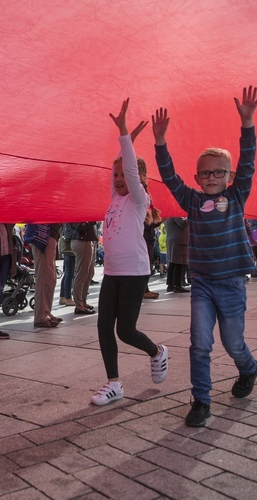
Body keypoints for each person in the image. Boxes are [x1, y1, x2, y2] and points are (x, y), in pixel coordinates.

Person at [152, 85, 257, 427]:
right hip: (201, 284)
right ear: (198, 177)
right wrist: (160, 143)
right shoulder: (193, 201)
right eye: (205, 172)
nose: (211, 177)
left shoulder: (237, 195)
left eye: (218, 172)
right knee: (199, 344)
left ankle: (249, 368)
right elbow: (169, 177)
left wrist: (247, 124)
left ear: (228, 177)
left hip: (231, 285)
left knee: (233, 344)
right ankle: (201, 400)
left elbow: (248, 163)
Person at [91, 99, 168, 406]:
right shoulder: (114, 198)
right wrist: (127, 143)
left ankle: (157, 352)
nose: (120, 179)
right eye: (117, 176)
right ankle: (113, 384)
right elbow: (120, 170)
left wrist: (124, 133)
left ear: (138, 179)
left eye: (125, 175)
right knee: (103, 325)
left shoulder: (139, 199)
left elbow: (132, 176)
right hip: (111, 271)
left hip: (134, 272)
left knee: (125, 330)